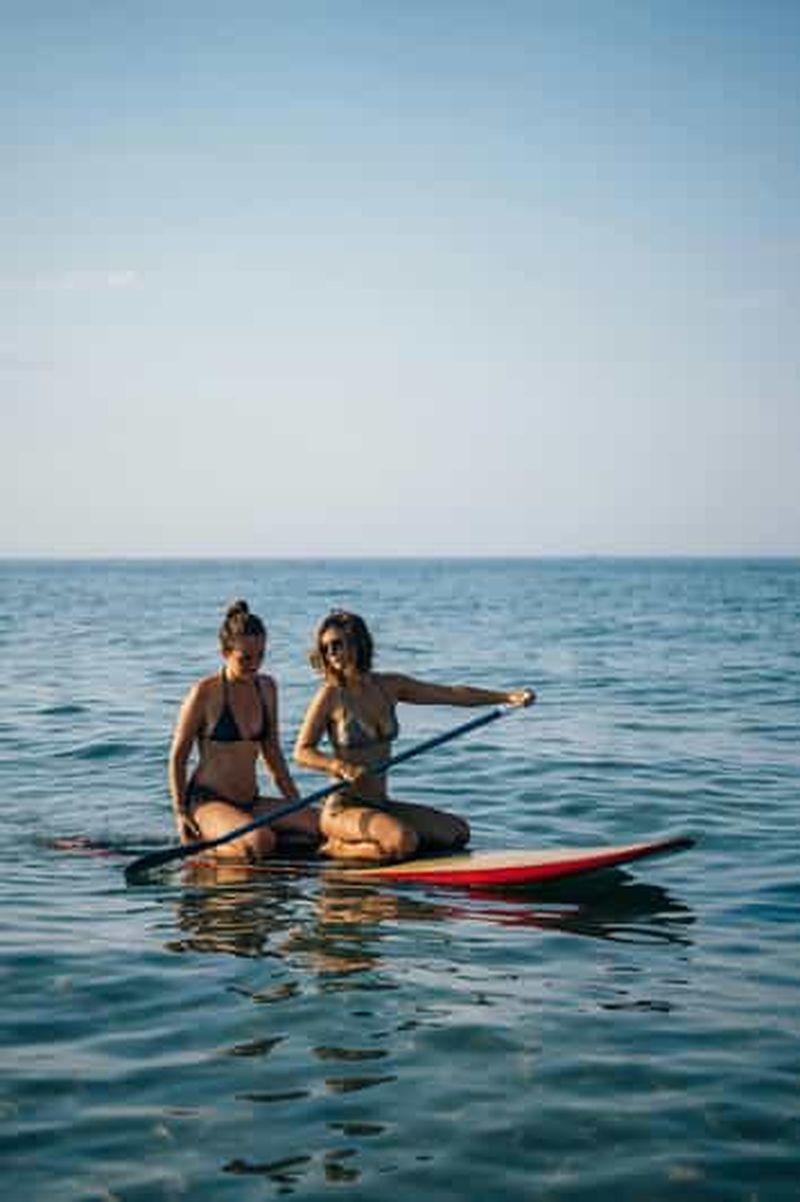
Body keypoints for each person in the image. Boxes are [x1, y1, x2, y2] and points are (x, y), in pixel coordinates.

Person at [294, 610, 535, 863]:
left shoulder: (390, 685)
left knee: (458, 833)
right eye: (326, 647)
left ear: (358, 643)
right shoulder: (330, 695)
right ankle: (336, 847)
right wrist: (339, 766)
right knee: (403, 841)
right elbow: (302, 751)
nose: (330, 652)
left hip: (380, 803)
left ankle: (385, 843)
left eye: (337, 644)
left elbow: (451, 694)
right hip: (343, 808)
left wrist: (507, 697)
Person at [168, 600, 318, 860]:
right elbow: (178, 758)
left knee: (318, 825)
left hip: (250, 801)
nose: (254, 664)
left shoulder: (267, 688)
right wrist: (180, 813)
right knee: (261, 841)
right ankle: (208, 847)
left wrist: (296, 803)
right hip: (208, 802)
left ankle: (249, 841)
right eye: (245, 658)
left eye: (261, 655)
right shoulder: (205, 693)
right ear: (225, 653)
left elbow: (273, 755)